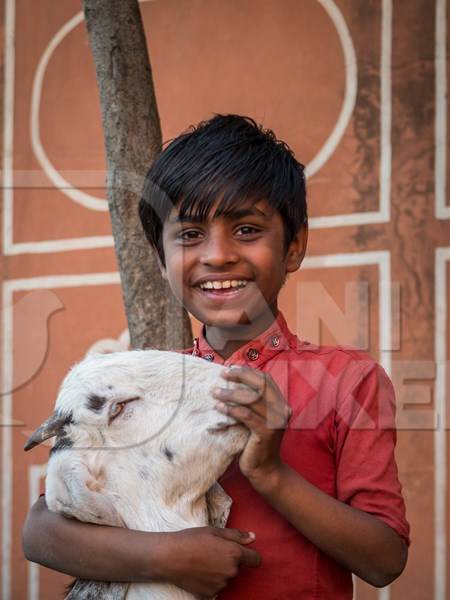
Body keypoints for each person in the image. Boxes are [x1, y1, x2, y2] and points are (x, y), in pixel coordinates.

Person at [23, 114, 409, 599]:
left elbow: (384, 559)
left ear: (295, 246)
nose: (218, 255)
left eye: (247, 229)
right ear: (161, 260)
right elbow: (40, 531)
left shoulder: (348, 380)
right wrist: (167, 557)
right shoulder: (143, 388)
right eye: (189, 235)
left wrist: (270, 472)